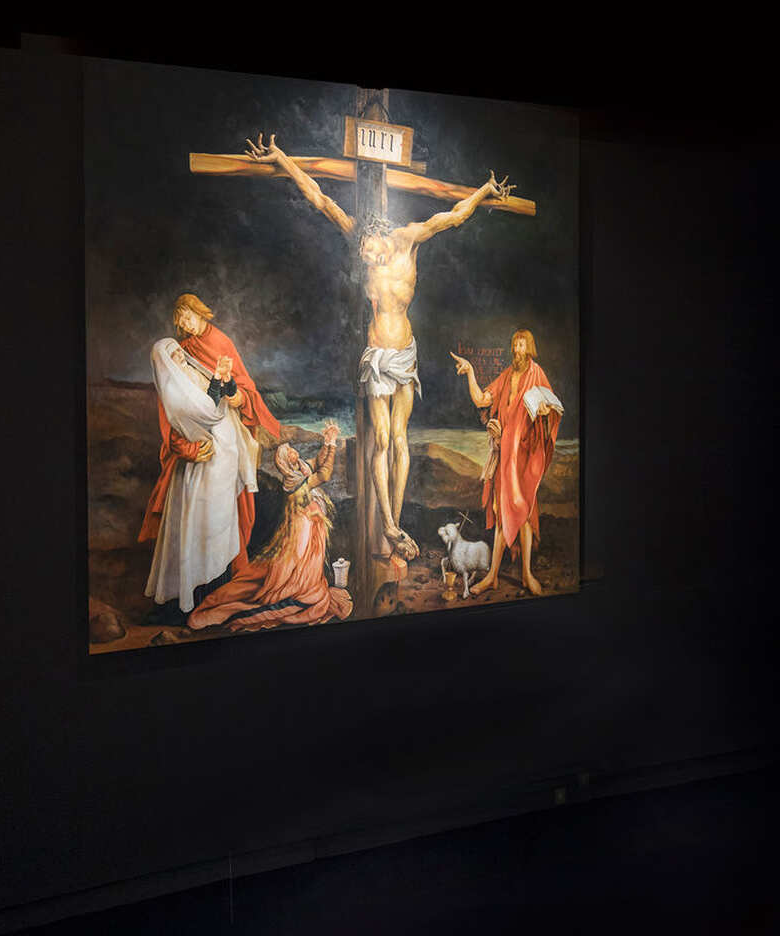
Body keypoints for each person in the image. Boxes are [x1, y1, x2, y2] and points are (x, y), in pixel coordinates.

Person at [243, 133, 512, 551]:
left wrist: (485, 191)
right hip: (377, 358)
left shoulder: (410, 238)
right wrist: (280, 156)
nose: (366, 258)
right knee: (382, 441)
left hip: (405, 354)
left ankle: (395, 523)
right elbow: (319, 198)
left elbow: (455, 215)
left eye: (369, 252)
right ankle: (387, 522)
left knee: (401, 441)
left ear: (379, 235)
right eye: (362, 255)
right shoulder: (357, 235)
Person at [141, 294, 281, 583]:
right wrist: (187, 447)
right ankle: (200, 580)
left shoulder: (220, 343)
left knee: (227, 510)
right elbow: (175, 407)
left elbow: (240, 390)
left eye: (187, 317)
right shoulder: (180, 351)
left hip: (227, 442)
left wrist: (235, 393)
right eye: (180, 322)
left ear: (198, 312)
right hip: (201, 448)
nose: (185, 326)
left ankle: (224, 573)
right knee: (198, 514)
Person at [187, 423, 353, 632]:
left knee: (306, 570)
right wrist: (331, 443)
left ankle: (304, 587)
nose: (293, 451)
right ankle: (299, 592)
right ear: (287, 463)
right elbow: (325, 474)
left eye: (291, 450)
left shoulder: (300, 469)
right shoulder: (294, 480)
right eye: (289, 452)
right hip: (302, 531)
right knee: (299, 573)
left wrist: (329, 441)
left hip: (310, 527)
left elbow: (319, 462)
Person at [449, 330, 564, 596]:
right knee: (503, 512)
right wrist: (470, 372)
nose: (516, 350)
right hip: (505, 456)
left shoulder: (537, 374)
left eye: (521, 345)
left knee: (523, 511)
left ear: (529, 348)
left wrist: (544, 413)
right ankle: (493, 576)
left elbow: (550, 412)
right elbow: (481, 400)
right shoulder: (506, 376)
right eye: (514, 345)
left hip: (525, 456)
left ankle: (526, 574)